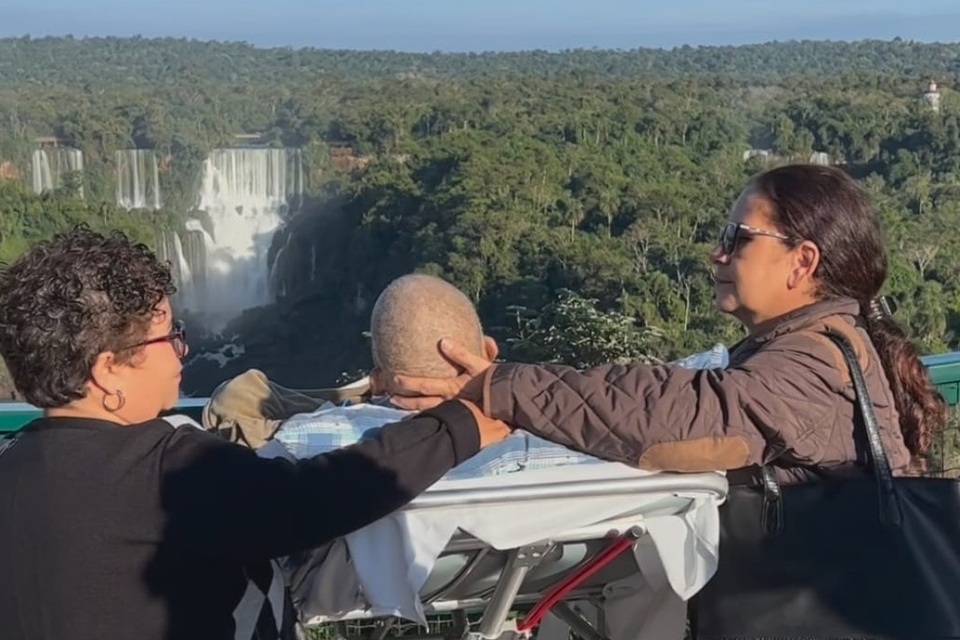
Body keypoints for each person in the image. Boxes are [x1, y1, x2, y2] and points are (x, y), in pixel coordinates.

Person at [0, 225, 510, 640]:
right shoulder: (166, 470)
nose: (183, 350)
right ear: (109, 368)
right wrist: (461, 424)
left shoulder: (12, 466)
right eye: (170, 336)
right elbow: (316, 498)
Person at [385, 164, 947, 484]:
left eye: (737, 239)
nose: (717, 255)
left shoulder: (811, 367)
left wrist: (498, 385)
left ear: (803, 262)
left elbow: (678, 412)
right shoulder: (821, 344)